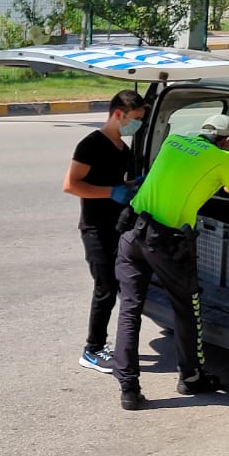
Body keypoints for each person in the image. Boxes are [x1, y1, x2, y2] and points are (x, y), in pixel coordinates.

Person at [113, 114, 229, 410]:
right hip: (166, 244)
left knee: (129, 310)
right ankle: (191, 378)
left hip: (132, 233)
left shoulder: (173, 140)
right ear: (227, 140)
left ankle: (129, 388)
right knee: (186, 309)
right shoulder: (223, 159)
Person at [63, 89, 147, 373]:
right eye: (135, 119)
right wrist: (110, 192)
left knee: (120, 286)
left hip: (118, 227)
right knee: (105, 289)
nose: (137, 125)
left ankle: (109, 345)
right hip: (95, 228)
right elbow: (71, 184)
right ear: (118, 114)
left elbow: (121, 184)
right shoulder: (91, 145)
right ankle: (92, 349)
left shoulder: (123, 149)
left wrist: (134, 185)